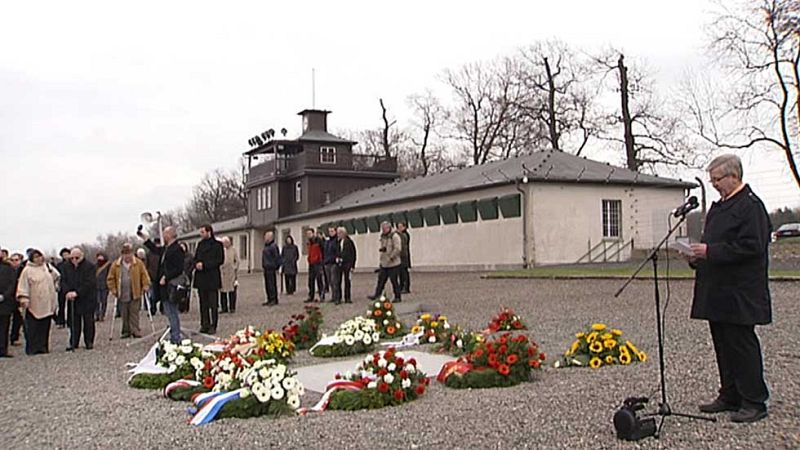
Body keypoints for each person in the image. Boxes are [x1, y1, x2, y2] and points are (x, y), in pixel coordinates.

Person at [687, 154, 772, 424]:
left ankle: (754, 400)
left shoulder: (751, 207)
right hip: (717, 290)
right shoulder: (719, 207)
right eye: (711, 180)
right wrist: (697, 256)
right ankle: (730, 394)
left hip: (740, 291)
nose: (713, 185)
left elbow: (752, 246)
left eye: (717, 179)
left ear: (734, 176)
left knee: (741, 344)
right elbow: (712, 244)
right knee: (722, 344)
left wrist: (711, 251)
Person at [140, 226, 185, 343]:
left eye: (165, 233)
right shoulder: (167, 248)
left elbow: (179, 268)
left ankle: (176, 337)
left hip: (172, 285)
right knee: (168, 311)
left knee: (172, 311)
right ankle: (174, 333)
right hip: (164, 286)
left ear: (170, 234)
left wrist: (166, 276)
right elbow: (156, 250)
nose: (163, 236)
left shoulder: (177, 249)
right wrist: (146, 239)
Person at [16, 250, 59, 355]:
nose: (39, 259)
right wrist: (24, 298)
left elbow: (57, 276)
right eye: (36, 257)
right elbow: (23, 285)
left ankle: (43, 347)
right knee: (33, 327)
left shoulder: (47, 267)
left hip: (47, 302)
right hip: (33, 303)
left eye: (40, 256)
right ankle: (32, 348)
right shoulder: (27, 270)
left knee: (45, 326)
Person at [107, 243, 151, 339]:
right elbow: (110, 278)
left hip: (135, 292)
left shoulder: (138, 263)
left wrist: (146, 285)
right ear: (122, 254)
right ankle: (126, 331)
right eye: (125, 254)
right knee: (124, 313)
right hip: (122, 293)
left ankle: (135, 331)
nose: (127, 256)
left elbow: (144, 275)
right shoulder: (116, 265)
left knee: (134, 312)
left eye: (129, 253)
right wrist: (113, 289)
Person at [62, 248, 97, 351]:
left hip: (87, 298)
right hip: (72, 299)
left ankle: (89, 341)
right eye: (72, 258)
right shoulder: (66, 267)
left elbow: (89, 283)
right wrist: (67, 292)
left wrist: (77, 292)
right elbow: (63, 281)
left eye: (76, 257)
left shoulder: (89, 266)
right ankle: (73, 342)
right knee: (74, 321)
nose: (74, 260)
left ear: (82, 256)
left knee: (88, 322)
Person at [193, 225, 224, 335]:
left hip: (212, 278)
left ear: (209, 232)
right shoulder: (200, 245)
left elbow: (220, 260)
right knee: (203, 303)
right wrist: (196, 264)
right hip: (201, 278)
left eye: (202, 232)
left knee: (213, 304)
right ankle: (204, 324)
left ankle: (213, 325)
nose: (201, 234)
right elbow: (195, 257)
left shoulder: (217, 245)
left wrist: (205, 265)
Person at [368, 221, 403, 302]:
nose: (383, 230)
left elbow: (398, 248)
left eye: (384, 228)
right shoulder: (383, 236)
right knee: (381, 280)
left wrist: (391, 256)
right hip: (384, 263)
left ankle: (397, 296)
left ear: (389, 228)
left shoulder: (394, 236)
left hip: (393, 263)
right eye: (382, 228)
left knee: (394, 281)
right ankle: (377, 294)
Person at [0, 254, 18, 357]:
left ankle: (3, 350)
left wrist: (4, 296)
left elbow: (12, 284)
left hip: (5, 302)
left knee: (4, 327)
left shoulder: (8, 268)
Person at [336, 227, 357, 304]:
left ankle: (347, 297)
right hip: (339, 264)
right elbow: (336, 251)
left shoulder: (349, 242)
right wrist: (337, 257)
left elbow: (353, 254)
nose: (338, 235)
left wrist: (352, 265)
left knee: (347, 281)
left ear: (343, 233)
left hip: (347, 264)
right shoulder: (338, 242)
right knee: (338, 281)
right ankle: (338, 298)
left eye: (339, 233)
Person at [7, 253, 24, 347]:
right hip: (9, 297)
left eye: (16, 260)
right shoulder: (7, 270)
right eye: (12, 260)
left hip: (18, 297)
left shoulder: (23, 270)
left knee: (18, 319)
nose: (14, 262)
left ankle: (15, 337)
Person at [261, 231, 282, 306]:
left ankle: (274, 299)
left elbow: (277, 257)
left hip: (271, 268)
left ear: (270, 237)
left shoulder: (273, 246)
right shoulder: (266, 246)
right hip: (266, 267)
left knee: (271, 284)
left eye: (266, 236)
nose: (265, 238)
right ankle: (269, 298)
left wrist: (276, 267)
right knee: (267, 284)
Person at [304, 229, 325, 303]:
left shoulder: (318, 241)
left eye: (310, 233)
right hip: (311, 263)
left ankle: (321, 296)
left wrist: (321, 260)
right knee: (311, 280)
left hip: (318, 263)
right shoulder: (309, 242)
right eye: (307, 234)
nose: (308, 235)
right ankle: (311, 296)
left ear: (313, 233)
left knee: (319, 280)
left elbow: (323, 250)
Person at [219, 236, 239, 313]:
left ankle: (232, 307)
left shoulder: (233, 250)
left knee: (232, 291)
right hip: (223, 273)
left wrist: (235, 268)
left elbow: (237, 260)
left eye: (226, 243)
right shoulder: (221, 250)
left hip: (231, 273)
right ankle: (224, 307)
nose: (225, 244)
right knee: (223, 291)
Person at [323, 227, 342, 304]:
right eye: (329, 231)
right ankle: (333, 296)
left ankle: (337, 297)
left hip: (334, 263)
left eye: (332, 231)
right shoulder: (327, 242)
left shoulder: (337, 241)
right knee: (330, 281)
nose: (330, 232)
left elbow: (338, 251)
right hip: (327, 263)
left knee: (335, 281)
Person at [54, 247, 71, 327]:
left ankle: (70, 321)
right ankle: (61, 321)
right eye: (64, 255)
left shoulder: (72, 264)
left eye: (67, 254)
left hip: (70, 286)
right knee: (61, 305)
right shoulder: (59, 265)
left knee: (71, 305)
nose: (66, 256)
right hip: (61, 287)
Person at [145, 239, 161, 315]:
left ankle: (162, 308)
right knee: (152, 295)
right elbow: (146, 265)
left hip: (160, 276)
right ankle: (152, 309)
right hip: (152, 277)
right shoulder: (149, 254)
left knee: (162, 294)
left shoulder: (161, 253)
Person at [94, 252, 111, 322]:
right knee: (96, 301)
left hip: (105, 286)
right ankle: (97, 314)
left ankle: (102, 315)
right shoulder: (95, 266)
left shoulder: (108, 266)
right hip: (96, 286)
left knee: (104, 301)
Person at [179, 241, 194, 313]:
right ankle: (180, 307)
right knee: (179, 291)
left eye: (183, 247)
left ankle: (186, 307)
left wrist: (188, 272)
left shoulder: (189, 256)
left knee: (187, 292)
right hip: (179, 276)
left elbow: (192, 264)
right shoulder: (177, 256)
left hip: (187, 275)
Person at [397, 221, 412, 294]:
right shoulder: (401, 235)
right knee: (400, 272)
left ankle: (406, 287)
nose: (399, 228)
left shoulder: (405, 235)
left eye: (401, 227)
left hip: (404, 256)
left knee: (404, 272)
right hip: (401, 256)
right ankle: (401, 286)